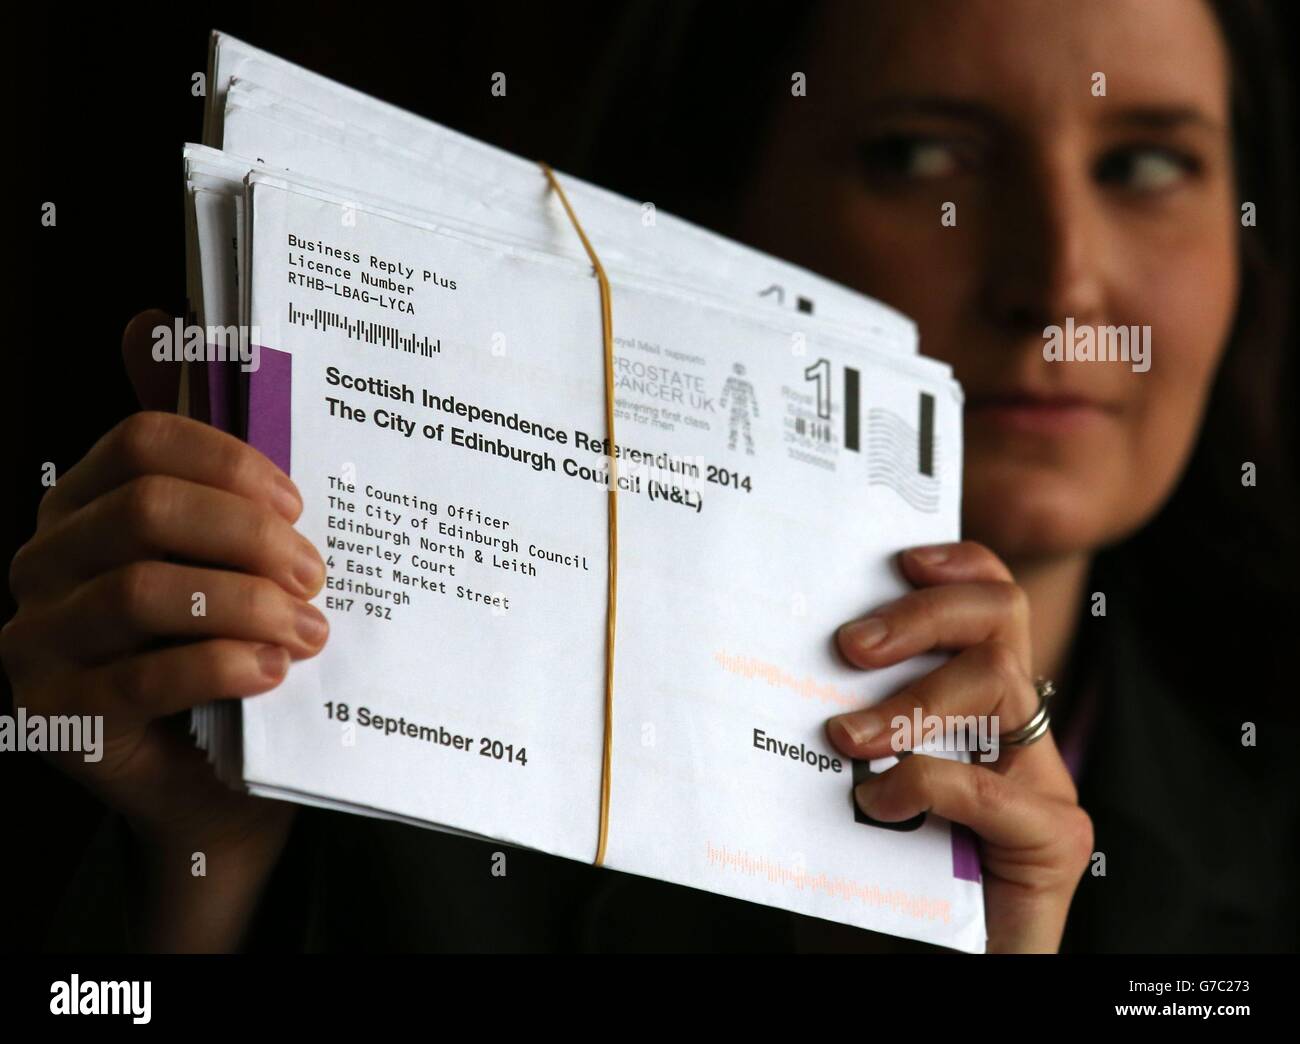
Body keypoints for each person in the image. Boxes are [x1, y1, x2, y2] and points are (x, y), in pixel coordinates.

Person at [7, 0, 1297, 953]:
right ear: (717, 217)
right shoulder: (356, 765)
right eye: (921, 156)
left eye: (1146, 165)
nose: (1060, 287)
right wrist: (196, 868)